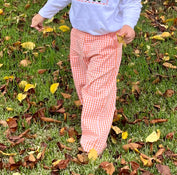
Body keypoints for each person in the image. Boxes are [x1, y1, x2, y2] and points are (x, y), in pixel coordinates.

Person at [31, 0, 142, 156]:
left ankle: (93, 143)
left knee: (97, 90)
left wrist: (128, 24)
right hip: (78, 36)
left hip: (107, 40)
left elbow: (131, 3)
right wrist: (43, 14)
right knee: (83, 82)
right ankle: (101, 111)